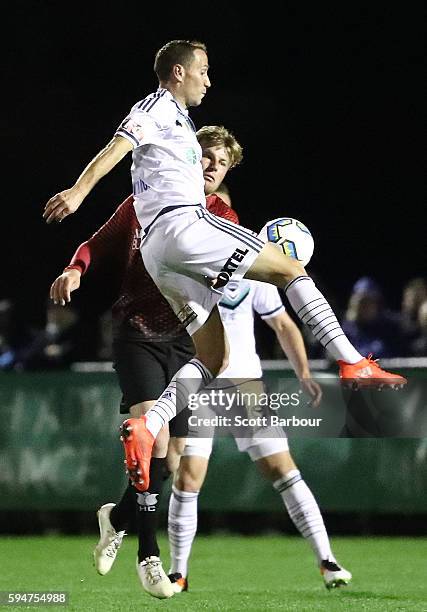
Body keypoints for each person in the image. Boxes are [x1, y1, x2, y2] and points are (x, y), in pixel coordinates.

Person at [44, 38, 406, 504]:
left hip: (159, 252)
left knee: (212, 356)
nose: (208, 80)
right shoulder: (156, 106)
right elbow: (117, 146)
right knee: (290, 267)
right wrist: (77, 191)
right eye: (203, 70)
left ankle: (147, 425)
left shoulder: (179, 123)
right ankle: (353, 361)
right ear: (178, 72)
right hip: (183, 227)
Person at [50, 124, 243, 599]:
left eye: (221, 162)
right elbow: (95, 242)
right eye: (205, 157)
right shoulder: (146, 202)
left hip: (187, 344)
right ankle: (149, 557)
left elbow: (231, 278)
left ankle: (115, 518)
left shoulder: (223, 216)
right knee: (153, 444)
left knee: (172, 461)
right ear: (187, 156)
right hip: (137, 333)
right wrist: (75, 268)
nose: (211, 167)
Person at [167, 276, 352, 592]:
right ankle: (178, 574)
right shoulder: (186, 264)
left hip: (247, 387)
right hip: (201, 385)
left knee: (283, 469)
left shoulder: (251, 270)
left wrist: (303, 373)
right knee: (188, 477)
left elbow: (282, 324)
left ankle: (328, 561)